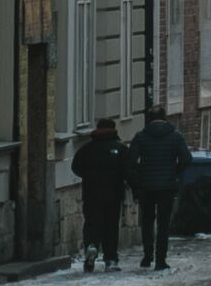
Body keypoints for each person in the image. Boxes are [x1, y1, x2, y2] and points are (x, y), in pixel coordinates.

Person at [129, 105, 192, 271]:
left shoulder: (140, 137)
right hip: (167, 186)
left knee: (147, 221)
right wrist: (175, 171)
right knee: (163, 223)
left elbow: (131, 161)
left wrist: (140, 176)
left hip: (146, 186)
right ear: (165, 118)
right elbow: (186, 158)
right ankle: (160, 260)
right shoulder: (175, 136)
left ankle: (147, 256)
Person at [73, 115, 129, 273]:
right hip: (114, 194)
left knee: (92, 222)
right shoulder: (120, 148)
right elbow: (128, 169)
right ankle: (110, 259)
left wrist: (87, 176)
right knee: (111, 226)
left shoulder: (87, 149)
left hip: (91, 193)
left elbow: (75, 166)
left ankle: (91, 246)